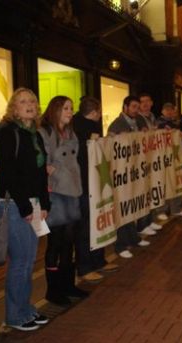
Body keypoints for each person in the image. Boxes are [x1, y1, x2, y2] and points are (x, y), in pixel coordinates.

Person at [0, 87, 50, 331]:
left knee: (29, 260)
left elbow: (39, 172)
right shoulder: (8, 133)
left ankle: (26, 309)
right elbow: (8, 174)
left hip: (32, 203)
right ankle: (15, 316)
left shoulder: (34, 134)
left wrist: (44, 204)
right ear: (13, 108)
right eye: (23, 102)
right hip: (15, 204)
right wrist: (27, 207)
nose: (29, 105)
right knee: (20, 262)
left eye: (32, 102)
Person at [39, 96, 89, 306]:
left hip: (72, 190)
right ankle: (53, 290)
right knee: (56, 242)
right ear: (56, 110)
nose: (70, 112)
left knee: (70, 241)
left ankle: (68, 285)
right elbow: (41, 161)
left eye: (71, 108)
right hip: (56, 192)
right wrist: (51, 171)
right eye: (66, 108)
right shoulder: (45, 133)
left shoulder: (70, 133)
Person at [73, 96, 117, 282]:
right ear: (94, 112)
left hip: (94, 181)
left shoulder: (87, 126)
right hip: (85, 184)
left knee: (99, 220)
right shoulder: (78, 128)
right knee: (85, 226)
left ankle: (98, 260)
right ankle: (85, 266)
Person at [108, 95, 150, 259]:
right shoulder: (117, 124)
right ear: (125, 107)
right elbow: (110, 146)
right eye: (133, 107)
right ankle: (121, 244)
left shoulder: (138, 122)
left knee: (131, 206)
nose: (136, 110)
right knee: (122, 207)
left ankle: (133, 238)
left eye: (137, 107)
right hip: (122, 173)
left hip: (133, 172)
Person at [134, 93, 163, 234]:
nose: (145, 104)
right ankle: (143, 224)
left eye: (147, 101)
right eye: (142, 101)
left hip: (151, 158)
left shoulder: (152, 117)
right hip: (142, 160)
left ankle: (150, 221)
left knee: (150, 190)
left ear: (151, 102)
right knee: (143, 192)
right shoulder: (138, 119)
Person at [156, 103, 182, 218]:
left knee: (177, 180)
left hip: (175, 157)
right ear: (162, 111)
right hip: (164, 158)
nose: (169, 112)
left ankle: (176, 208)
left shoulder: (174, 123)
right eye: (167, 110)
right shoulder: (159, 122)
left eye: (171, 110)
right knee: (165, 182)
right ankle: (162, 210)